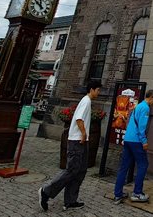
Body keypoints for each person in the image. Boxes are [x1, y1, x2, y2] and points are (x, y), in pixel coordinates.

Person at [39, 80, 102, 211]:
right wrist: (83, 133)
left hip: (82, 141)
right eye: (98, 90)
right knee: (72, 170)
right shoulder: (86, 101)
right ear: (92, 90)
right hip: (77, 141)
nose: (99, 92)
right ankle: (46, 191)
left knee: (80, 171)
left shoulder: (87, 101)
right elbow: (79, 118)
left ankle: (70, 200)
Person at [114, 89, 153, 204]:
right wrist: (144, 141)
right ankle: (137, 193)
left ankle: (118, 194)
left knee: (124, 167)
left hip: (128, 138)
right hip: (136, 140)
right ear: (152, 97)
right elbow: (141, 127)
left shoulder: (138, 106)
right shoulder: (146, 108)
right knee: (143, 165)